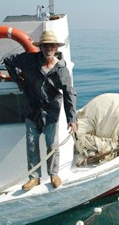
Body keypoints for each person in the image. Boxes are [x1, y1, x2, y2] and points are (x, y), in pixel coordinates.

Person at [4, 30, 77, 191]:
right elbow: (8, 60)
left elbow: (69, 94)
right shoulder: (28, 60)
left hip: (51, 113)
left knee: (52, 145)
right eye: (45, 46)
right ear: (40, 47)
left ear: (56, 47)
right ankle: (34, 177)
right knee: (31, 145)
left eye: (52, 46)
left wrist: (72, 119)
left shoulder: (61, 69)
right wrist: (18, 79)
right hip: (32, 111)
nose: (48, 48)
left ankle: (54, 174)